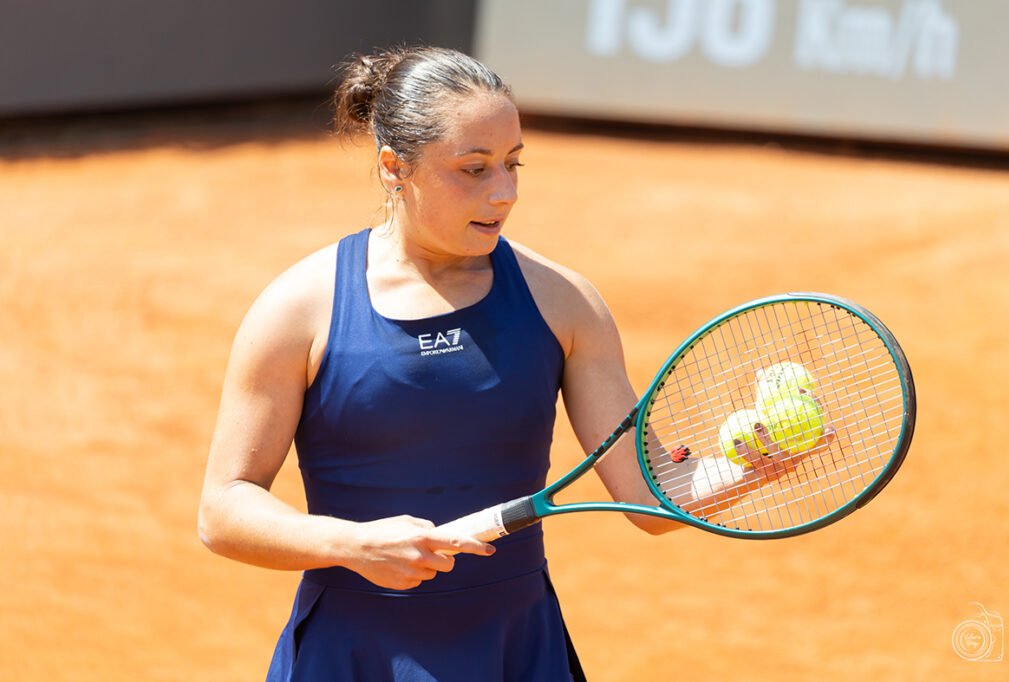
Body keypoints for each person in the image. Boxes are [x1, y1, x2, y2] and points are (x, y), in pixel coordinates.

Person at [198, 45, 776, 681]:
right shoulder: (299, 309)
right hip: (355, 655)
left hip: (517, 651)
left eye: (512, 164)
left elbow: (646, 495)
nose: (503, 192)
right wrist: (352, 544)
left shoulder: (564, 303)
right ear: (395, 167)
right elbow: (224, 508)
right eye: (473, 169)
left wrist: (752, 466)